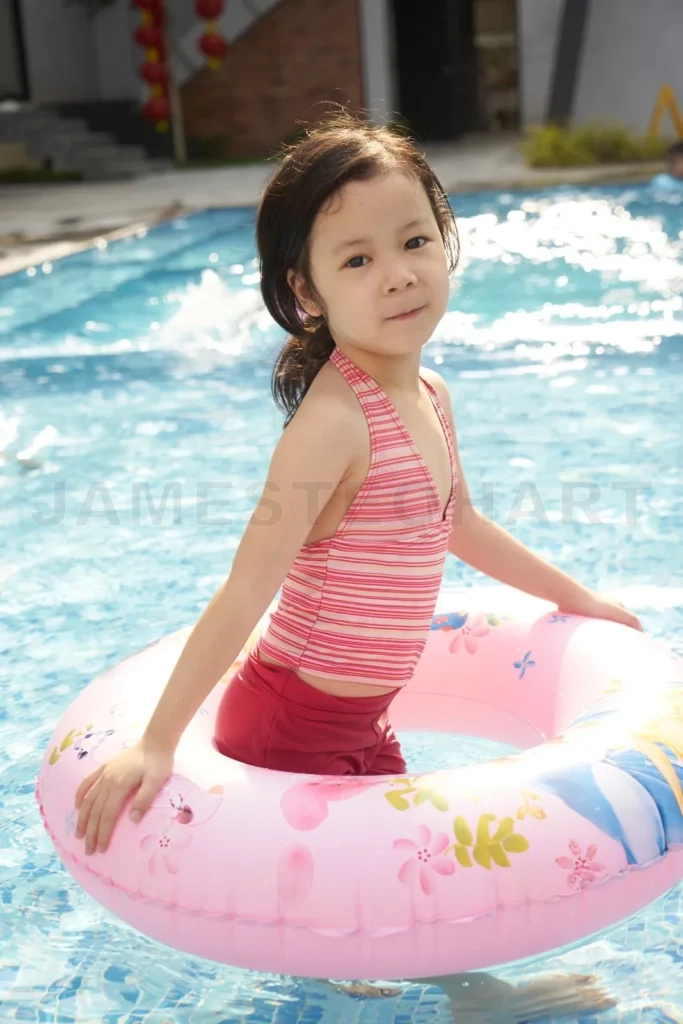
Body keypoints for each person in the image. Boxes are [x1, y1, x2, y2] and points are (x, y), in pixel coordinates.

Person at [74, 111, 635, 1009]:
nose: (399, 275)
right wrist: (156, 741)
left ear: (446, 240)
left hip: (357, 720)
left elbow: (461, 525)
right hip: (289, 723)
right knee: (351, 928)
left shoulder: (432, 395)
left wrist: (580, 598)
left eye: (415, 240)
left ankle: (470, 994)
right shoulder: (330, 426)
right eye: (357, 260)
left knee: (418, 893)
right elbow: (246, 587)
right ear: (307, 293)